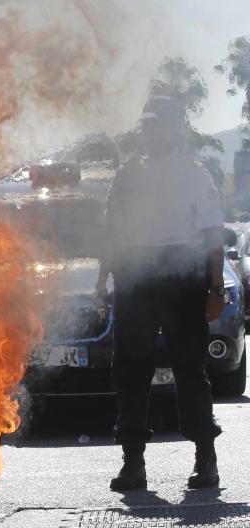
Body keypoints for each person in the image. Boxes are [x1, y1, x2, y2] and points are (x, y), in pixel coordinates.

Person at [96, 95, 225, 492]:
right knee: (131, 371)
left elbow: (213, 236)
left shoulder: (195, 175)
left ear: (175, 130)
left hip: (182, 278)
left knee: (189, 369)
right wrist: (103, 279)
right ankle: (133, 463)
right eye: (147, 125)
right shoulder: (128, 174)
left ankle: (206, 458)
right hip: (135, 277)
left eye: (160, 126)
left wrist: (215, 288)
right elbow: (113, 232)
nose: (151, 133)